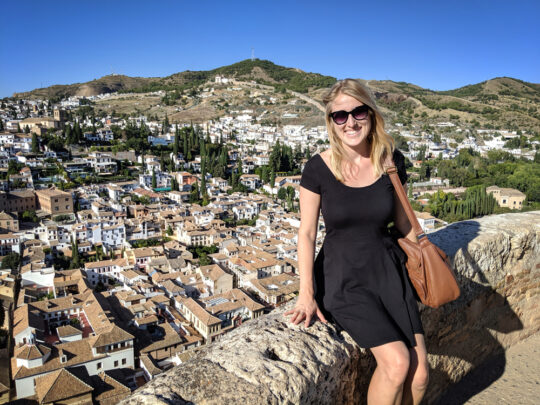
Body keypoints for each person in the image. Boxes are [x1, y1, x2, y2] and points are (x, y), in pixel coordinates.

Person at [284, 79, 429, 405]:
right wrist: (306, 294)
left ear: (371, 113)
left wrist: (426, 258)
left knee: (420, 376)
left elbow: (403, 223)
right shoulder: (318, 168)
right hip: (343, 277)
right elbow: (306, 233)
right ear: (331, 122)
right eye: (340, 116)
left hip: (388, 271)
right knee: (397, 364)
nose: (350, 122)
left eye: (358, 112)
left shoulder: (392, 161)